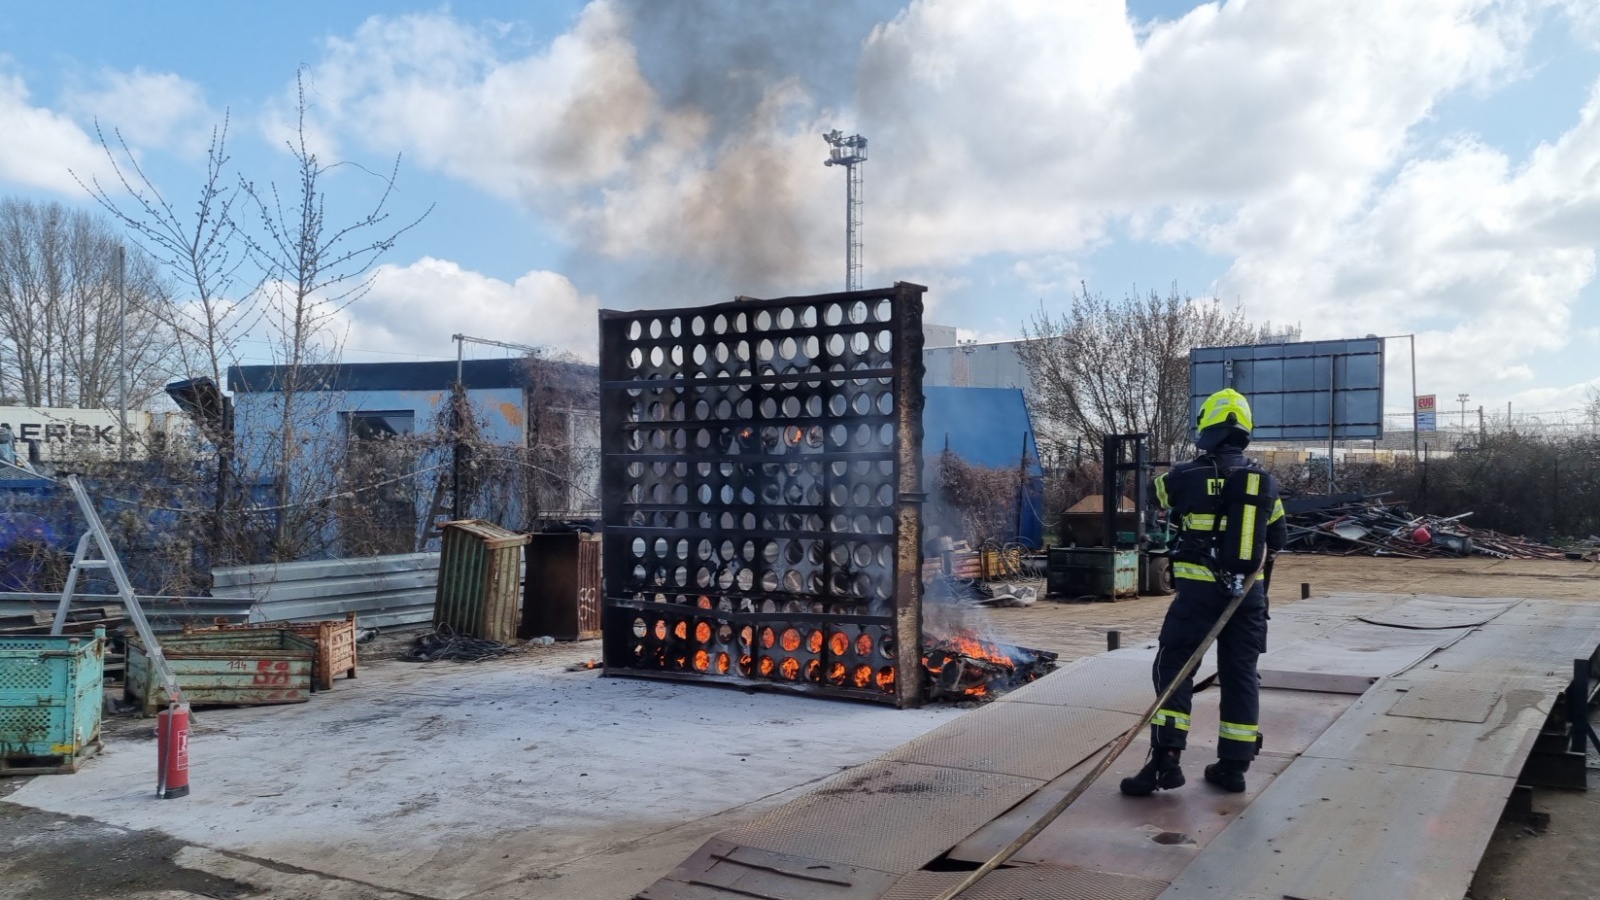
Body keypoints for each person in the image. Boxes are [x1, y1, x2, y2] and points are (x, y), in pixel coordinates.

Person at [1120, 388, 1286, 796]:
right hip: (1248, 598)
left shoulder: (1184, 476)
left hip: (1199, 596)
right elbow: (1279, 538)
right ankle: (1234, 767)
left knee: (1174, 668)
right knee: (1240, 675)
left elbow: (1153, 494)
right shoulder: (1264, 483)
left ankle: (1165, 761)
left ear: (1208, 427)